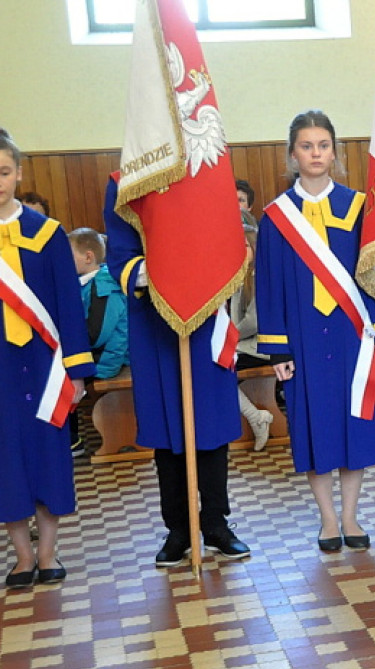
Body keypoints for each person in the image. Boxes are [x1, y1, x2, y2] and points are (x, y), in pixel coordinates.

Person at [256, 110, 375, 553]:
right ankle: (328, 520)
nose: (315, 154)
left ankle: (352, 517)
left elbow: (374, 274)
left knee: (354, 425)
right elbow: (269, 285)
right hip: (302, 340)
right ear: (291, 154)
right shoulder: (276, 217)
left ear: (334, 152)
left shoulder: (357, 207)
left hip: (353, 337)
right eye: (306, 146)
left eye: (323, 145)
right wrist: (278, 349)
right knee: (314, 427)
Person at [104, 177, 250, 567]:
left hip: (205, 316)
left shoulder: (207, 171)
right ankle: (179, 529)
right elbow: (120, 256)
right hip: (154, 322)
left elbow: (227, 240)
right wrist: (166, 275)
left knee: (212, 427)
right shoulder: (126, 183)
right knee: (168, 431)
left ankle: (216, 524)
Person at [1, 128, 95, 588]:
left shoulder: (48, 234)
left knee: (46, 455)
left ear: (18, 173)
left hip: (44, 367)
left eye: (3, 171)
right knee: (6, 461)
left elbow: (67, 307)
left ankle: (48, 552)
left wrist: (77, 370)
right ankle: (20, 557)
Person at [231, 212, 274, 450]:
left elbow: (254, 321)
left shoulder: (259, 276)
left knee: (217, 368)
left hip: (259, 346)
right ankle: (256, 417)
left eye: (245, 246)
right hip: (244, 344)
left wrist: (229, 339)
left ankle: (255, 418)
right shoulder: (241, 274)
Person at [69, 227, 129, 380]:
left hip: (106, 363)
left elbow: (96, 334)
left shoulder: (104, 286)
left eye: (68, 256)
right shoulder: (87, 283)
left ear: (88, 257)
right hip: (99, 357)